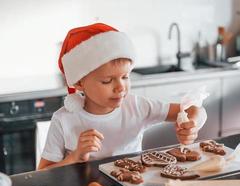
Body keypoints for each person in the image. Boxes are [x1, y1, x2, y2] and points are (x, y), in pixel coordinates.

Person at [38, 23, 207, 170]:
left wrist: (193, 124)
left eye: (125, 77)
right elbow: (41, 174)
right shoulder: (63, 119)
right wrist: (74, 157)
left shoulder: (136, 106)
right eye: (107, 81)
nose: (120, 87)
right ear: (80, 83)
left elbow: (194, 109)